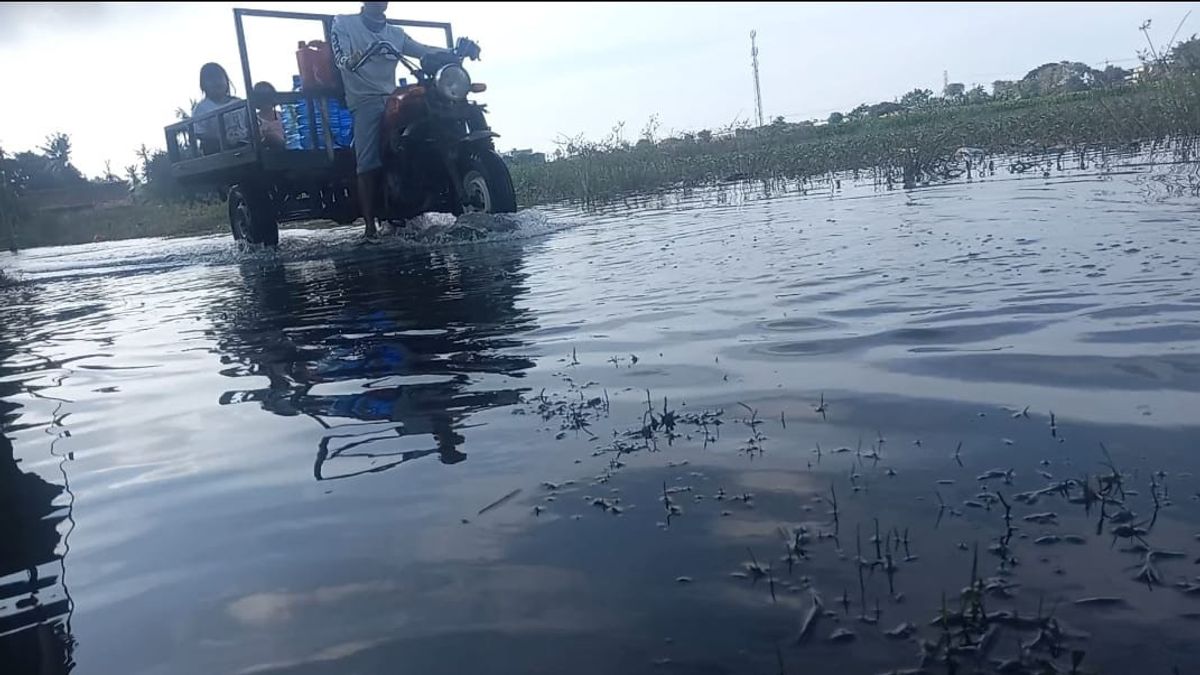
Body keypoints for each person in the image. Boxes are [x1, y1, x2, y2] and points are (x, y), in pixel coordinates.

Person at [331, 2, 451, 238]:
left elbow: (422, 50)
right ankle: (368, 227)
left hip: (392, 95)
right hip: (365, 99)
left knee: (431, 115)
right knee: (367, 161)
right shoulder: (344, 23)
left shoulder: (394, 33)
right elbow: (340, 57)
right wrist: (350, 60)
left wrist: (453, 52)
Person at [192, 63, 250, 155]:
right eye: (211, 79)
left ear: (226, 80)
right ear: (203, 85)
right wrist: (223, 139)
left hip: (245, 145)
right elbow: (200, 133)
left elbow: (249, 123)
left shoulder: (239, 103)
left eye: (219, 78)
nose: (216, 82)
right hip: (217, 150)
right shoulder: (202, 108)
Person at [251, 81, 287, 150]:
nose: (266, 100)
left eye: (269, 96)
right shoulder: (254, 119)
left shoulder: (283, 116)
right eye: (263, 98)